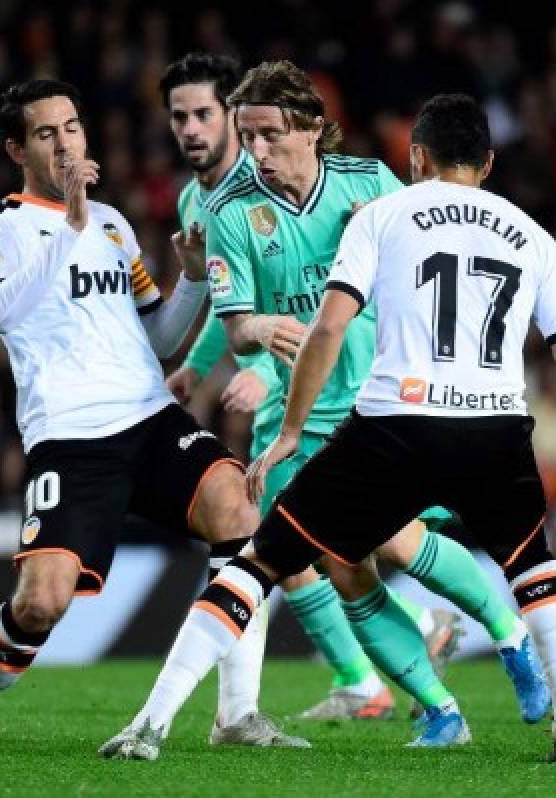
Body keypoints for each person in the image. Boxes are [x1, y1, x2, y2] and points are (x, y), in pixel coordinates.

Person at [109, 92, 556, 763]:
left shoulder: (381, 210)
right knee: (534, 569)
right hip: (494, 428)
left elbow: (330, 326)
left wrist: (285, 431)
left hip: (392, 424)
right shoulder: (534, 236)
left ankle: (152, 724)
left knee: (258, 563)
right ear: (487, 162)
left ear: (417, 156)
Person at [0, 78, 303, 748]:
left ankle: (236, 715)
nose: (64, 141)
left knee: (239, 508)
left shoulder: (115, 225)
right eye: (45, 132)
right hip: (70, 437)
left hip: (148, 417)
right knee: (40, 603)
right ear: (16, 148)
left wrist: (191, 278)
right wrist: (67, 224)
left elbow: (155, 338)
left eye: (71, 126)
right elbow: (1, 310)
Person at [158, 52, 465, 723]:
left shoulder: (274, 178)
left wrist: (262, 372)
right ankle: (382, 662)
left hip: (332, 381)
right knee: (301, 535)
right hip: (284, 381)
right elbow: (234, 305)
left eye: (205, 113)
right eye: (179, 115)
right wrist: (202, 367)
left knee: (319, 532)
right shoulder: (194, 202)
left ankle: (398, 655)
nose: (192, 127)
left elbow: (310, 301)